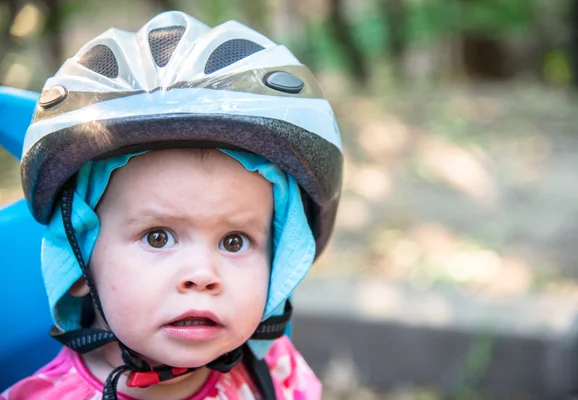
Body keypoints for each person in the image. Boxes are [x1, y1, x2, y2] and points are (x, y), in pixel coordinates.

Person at [2, 10, 343, 400]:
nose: (201, 274)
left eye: (234, 241)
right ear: (78, 261)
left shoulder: (273, 371)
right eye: (158, 237)